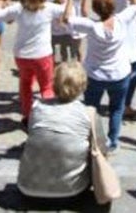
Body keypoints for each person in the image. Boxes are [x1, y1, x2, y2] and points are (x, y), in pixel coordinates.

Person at [17, 61, 105, 202]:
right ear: (82, 86)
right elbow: (101, 149)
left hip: (28, 187)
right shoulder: (88, 114)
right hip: (72, 191)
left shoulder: (37, 107)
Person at [63, 0, 136, 152]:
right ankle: (113, 141)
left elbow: (67, 19)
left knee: (91, 109)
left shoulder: (91, 26)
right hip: (119, 73)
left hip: (95, 74)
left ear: (96, 10)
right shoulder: (121, 20)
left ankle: (91, 139)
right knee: (116, 109)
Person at [0, 0, 63, 123]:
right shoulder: (49, 8)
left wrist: (1, 0)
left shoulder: (19, 8)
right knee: (46, 86)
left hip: (22, 54)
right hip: (42, 54)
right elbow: (68, 10)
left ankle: (27, 115)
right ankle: (47, 117)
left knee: (25, 84)